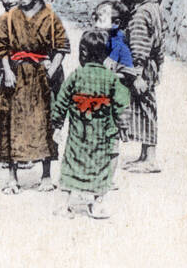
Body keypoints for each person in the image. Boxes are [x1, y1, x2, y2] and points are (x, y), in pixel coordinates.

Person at [0, 0, 68, 194]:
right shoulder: (8, 18)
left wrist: (53, 68)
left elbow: (61, 46)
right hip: (15, 76)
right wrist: (7, 70)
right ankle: (12, 177)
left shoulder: (51, 18)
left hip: (42, 77)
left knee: (45, 122)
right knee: (11, 122)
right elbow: (0, 47)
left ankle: (45, 175)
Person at [51, 30, 131, 219]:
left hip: (78, 132)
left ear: (83, 53)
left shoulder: (76, 75)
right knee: (102, 165)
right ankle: (97, 204)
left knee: (71, 163)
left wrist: (57, 125)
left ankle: (64, 204)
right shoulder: (111, 79)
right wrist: (123, 127)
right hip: (103, 133)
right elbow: (122, 104)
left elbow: (61, 100)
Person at [123, 0, 166, 174]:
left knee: (145, 108)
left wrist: (137, 72)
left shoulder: (141, 14)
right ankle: (144, 154)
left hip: (141, 67)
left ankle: (150, 158)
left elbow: (139, 45)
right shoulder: (155, 9)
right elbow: (160, 43)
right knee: (144, 107)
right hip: (151, 65)